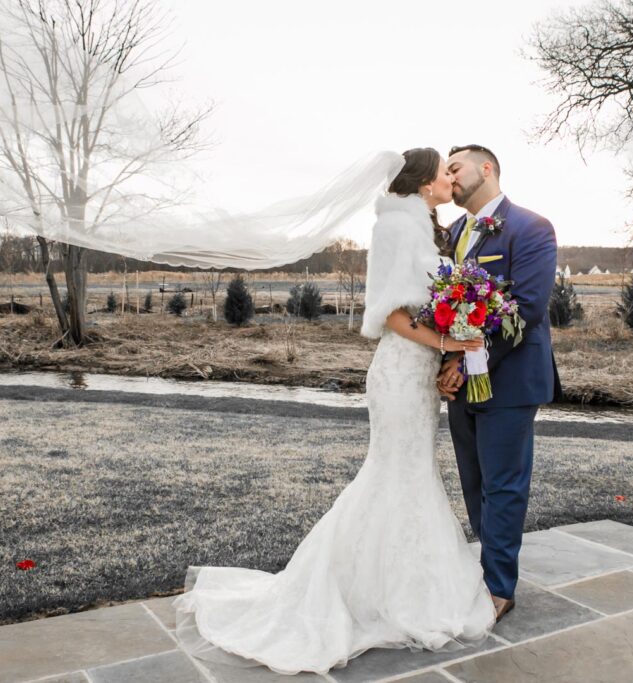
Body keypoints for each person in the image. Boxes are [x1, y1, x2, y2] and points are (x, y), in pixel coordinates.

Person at [172, 148, 497, 676]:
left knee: (413, 472)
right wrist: (446, 342)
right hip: (399, 371)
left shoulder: (422, 228)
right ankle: (365, 592)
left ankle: (399, 584)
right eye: (444, 171)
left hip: (419, 373)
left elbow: (430, 303)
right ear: (423, 182)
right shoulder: (396, 227)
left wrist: (452, 343)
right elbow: (391, 314)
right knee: (396, 473)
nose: (450, 179)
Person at [436, 144, 561, 623]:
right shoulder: (451, 233)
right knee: (473, 482)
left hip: (509, 380)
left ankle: (499, 588)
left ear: (486, 168)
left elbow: (526, 309)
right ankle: (485, 571)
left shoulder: (531, 227)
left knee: (504, 486)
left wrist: (466, 363)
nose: (449, 177)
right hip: (458, 380)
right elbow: (440, 303)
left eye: (455, 167)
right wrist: (447, 361)